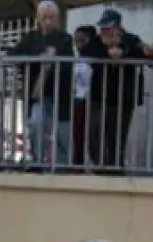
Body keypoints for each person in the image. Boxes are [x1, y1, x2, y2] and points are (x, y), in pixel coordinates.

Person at [82, 9, 153, 174]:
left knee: (117, 138)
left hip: (123, 98)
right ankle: (100, 168)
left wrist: (123, 53)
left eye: (108, 28)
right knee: (94, 134)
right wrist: (106, 52)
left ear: (118, 27)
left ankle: (116, 171)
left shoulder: (131, 40)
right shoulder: (96, 42)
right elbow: (86, 56)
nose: (104, 31)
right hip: (98, 97)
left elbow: (143, 56)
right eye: (103, 28)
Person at [8, 0, 76, 169]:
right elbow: (11, 55)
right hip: (36, 94)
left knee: (62, 132)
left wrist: (53, 61)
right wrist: (39, 58)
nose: (48, 21)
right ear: (38, 18)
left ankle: (62, 166)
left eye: (51, 17)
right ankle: (38, 162)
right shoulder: (30, 38)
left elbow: (69, 64)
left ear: (57, 19)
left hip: (59, 94)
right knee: (36, 126)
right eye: (44, 17)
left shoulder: (64, 39)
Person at [72, 25, 97, 168]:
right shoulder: (75, 57)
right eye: (76, 41)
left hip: (92, 99)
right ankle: (77, 165)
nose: (78, 45)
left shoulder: (94, 56)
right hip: (78, 99)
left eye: (82, 41)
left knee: (93, 136)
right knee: (77, 135)